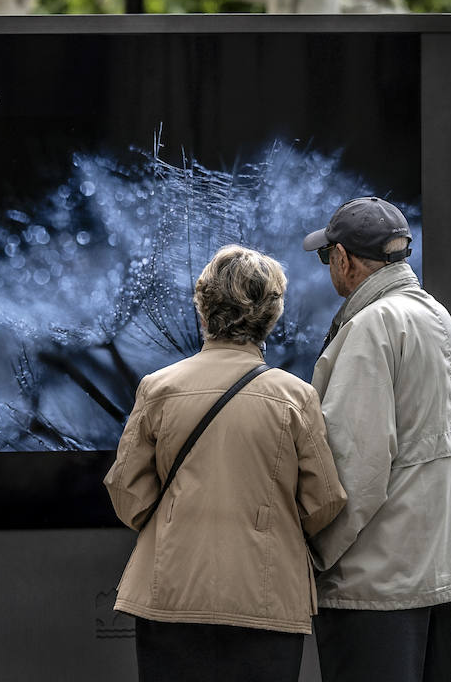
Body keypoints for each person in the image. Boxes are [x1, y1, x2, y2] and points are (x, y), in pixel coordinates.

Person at [104, 244, 347, 682]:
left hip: (168, 594)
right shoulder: (296, 397)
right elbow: (324, 501)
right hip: (265, 599)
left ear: (202, 309)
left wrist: (175, 521)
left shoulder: (158, 388)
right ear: (271, 315)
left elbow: (126, 492)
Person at [301, 197, 451, 682]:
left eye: (326, 255)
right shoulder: (441, 320)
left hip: (376, 589)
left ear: (343, 258)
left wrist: (312, 556)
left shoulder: (372, 328)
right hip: (441, 577)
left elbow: (354, 468)